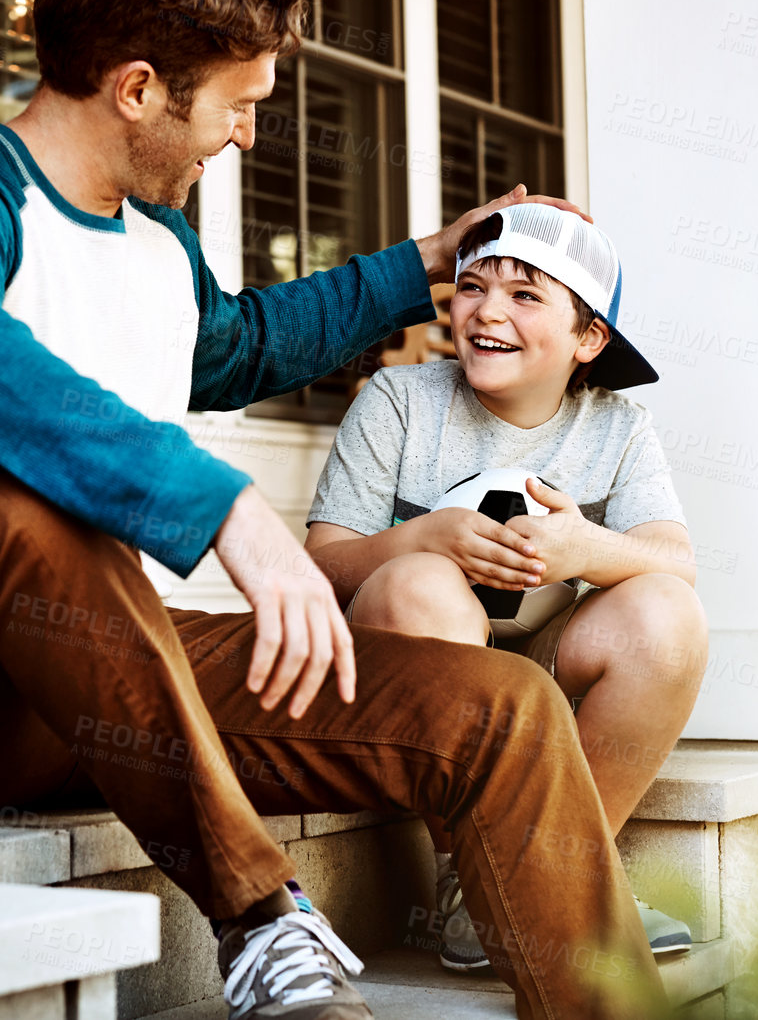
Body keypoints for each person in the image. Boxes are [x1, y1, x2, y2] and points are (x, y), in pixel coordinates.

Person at [0, 0, 669, 1019]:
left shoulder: (155, 240)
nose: (248, 133)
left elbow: (235, 343)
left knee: (500, 706)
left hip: (105, 674)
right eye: (236, 105)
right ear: (137, 89)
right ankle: (263, 919)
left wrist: (423, 261)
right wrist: (228, 509)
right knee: (16, 503)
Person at [303, 203, 710, 972]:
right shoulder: (399, 402)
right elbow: (323, 562)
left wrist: (581, 546)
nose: (487, 309)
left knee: (667, 611)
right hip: (415, 671)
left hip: (542, 655)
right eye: (472, 286)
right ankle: (472, 884)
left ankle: (568, 878)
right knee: (419, 583)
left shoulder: (617, 425)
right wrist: (422, 537)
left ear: (588, 339)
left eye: (526, 294)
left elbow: (675, 558)